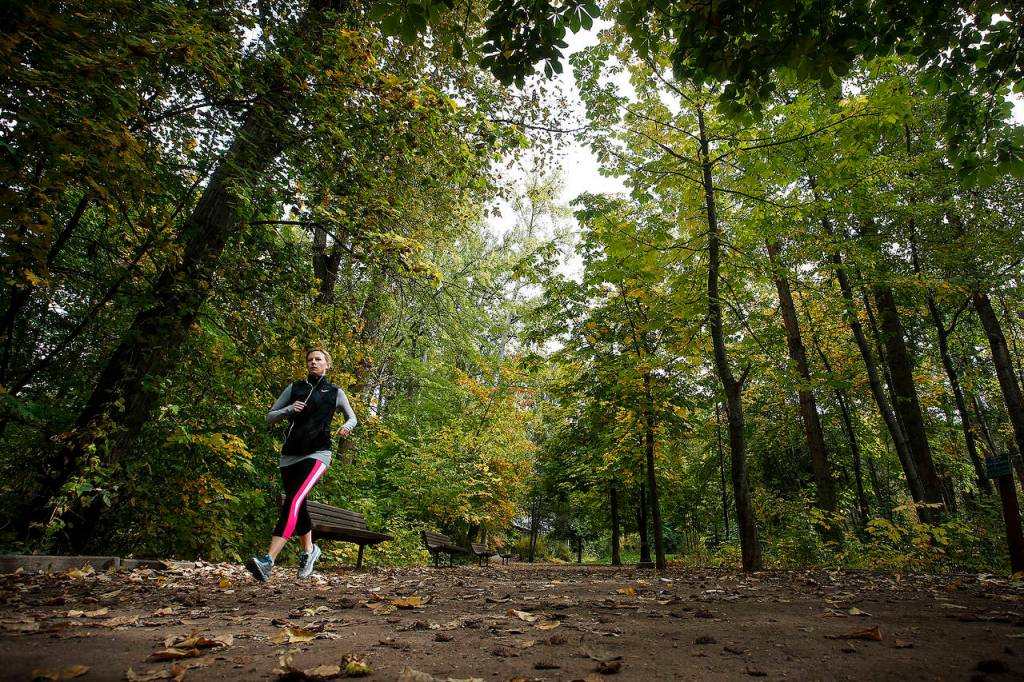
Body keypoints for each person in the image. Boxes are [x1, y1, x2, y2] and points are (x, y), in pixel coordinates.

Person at [244, 348, 357, 581]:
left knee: (293, 500)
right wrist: (289, 409)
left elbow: (352, 417)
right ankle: (309, 550)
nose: (313, 362)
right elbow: (270, 416)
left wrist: (347, 427)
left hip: (318, 454)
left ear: (328, 365)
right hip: (289, 455)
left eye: (318, 359)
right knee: (299, 503)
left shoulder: (335, 392)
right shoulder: (295, 388)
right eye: (310, 360)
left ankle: (268, 561)